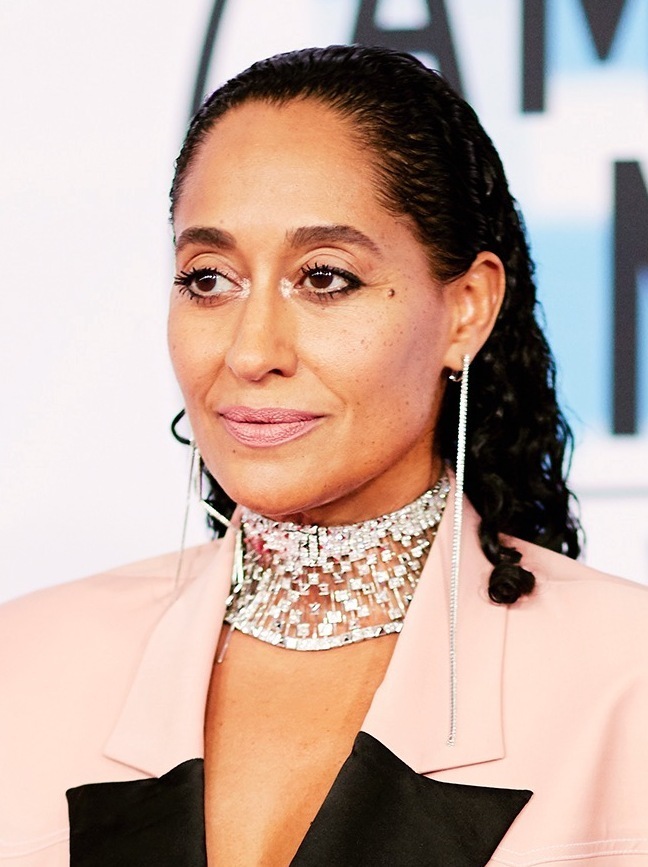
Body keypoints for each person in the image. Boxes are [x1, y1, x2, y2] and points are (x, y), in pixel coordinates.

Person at [1, 44, 647, 867]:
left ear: (466, 309)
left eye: (326, 278)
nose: (251, 351)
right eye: (209, 278)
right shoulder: (24, 667)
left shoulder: (628, 682)